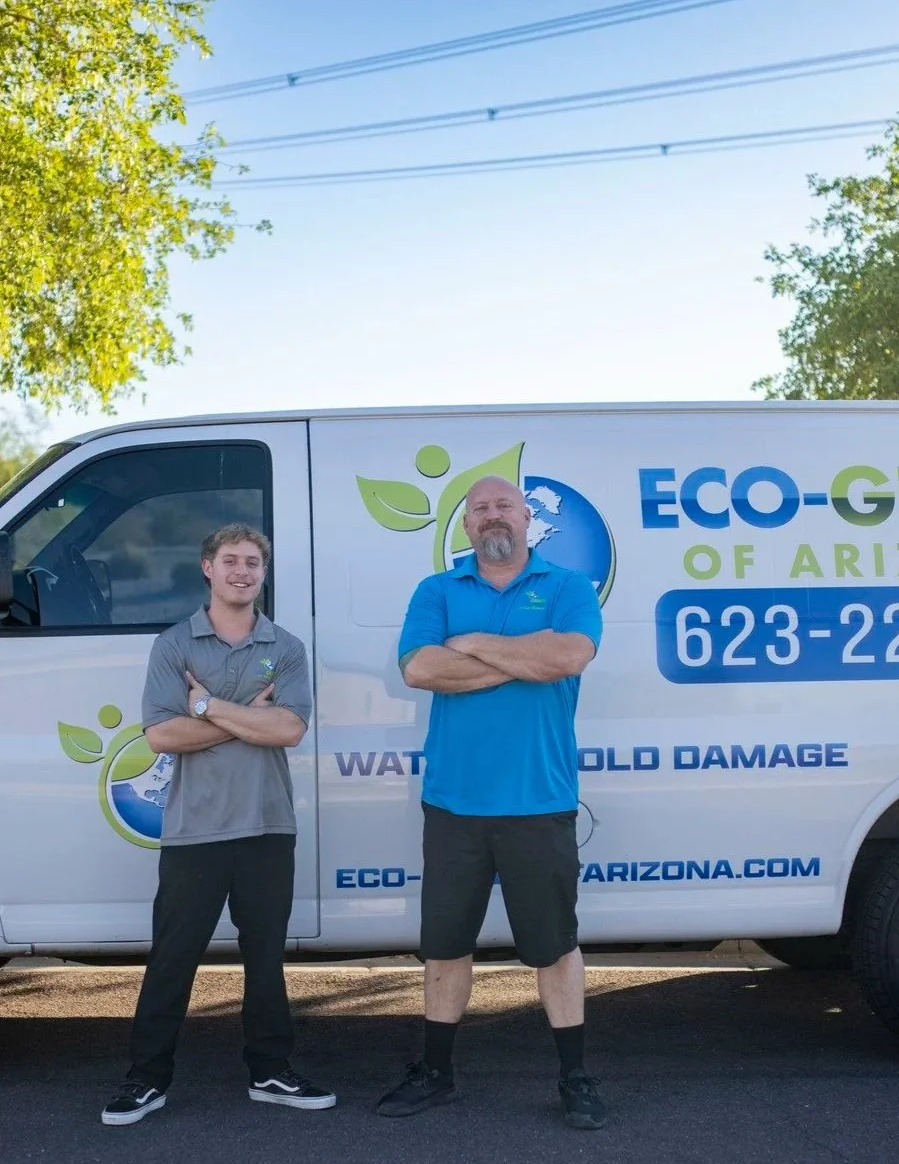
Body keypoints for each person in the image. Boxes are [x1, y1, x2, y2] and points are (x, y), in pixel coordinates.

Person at [376, 475, 605, 1128]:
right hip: (454, 803)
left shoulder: (567, 587)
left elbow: (569, 654)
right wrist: (522, 658)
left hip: (540, 798)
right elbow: (419, 668)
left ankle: (575, 1077)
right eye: (479, 508)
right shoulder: (437, 589)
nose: (491, 514)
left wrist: (471, 644)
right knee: (446, 945)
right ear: (467, 525)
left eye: (503, 504)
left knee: (555, 946)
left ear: (527, 517)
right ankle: (437, 1073)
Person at [100, 524, 334, 1125]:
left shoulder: (284, 646)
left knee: (266, 959)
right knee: (173, 960)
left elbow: (289, 730)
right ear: (208, 568)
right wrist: (245, 717)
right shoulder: (175, 645)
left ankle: (271, 1073)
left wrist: (205, 705)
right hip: (194, 831)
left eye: (252, 563)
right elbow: (160, 735)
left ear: (262, 573)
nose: (241, 571)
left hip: (266, 827)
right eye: (230, 560)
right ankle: (145, 1081)